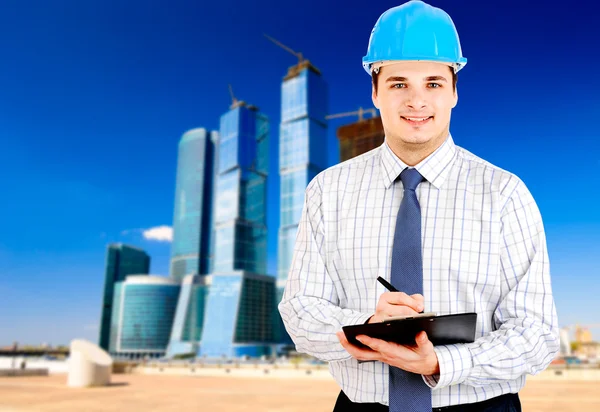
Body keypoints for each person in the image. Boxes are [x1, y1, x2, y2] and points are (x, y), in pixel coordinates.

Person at [277, 1, 560, 411]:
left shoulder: (504, 194)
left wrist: (442, 362)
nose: (416, 101)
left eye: (432, 83)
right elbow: (301, 311)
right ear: (375, 92)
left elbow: (537, 332)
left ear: (454, 93)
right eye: (398, 84)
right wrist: (368, 329)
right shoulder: (329, 190)